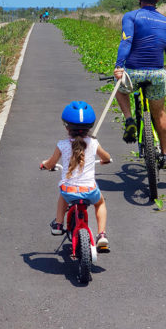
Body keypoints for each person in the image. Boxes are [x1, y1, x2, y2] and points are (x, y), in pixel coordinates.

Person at [113, 0, 166, 168]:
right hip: (157, 73)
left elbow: (126, 41)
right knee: (160, 113)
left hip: (134, 72)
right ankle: (165, 155)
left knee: (120, 89)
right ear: (158, 0)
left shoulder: (131, 16)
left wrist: (119, 66)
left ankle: (129, 119)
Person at [40, 101, 113, 250]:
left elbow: (51, 163)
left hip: (69, 192)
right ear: (90, 126)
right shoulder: (93, 143)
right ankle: (102, 235)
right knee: (100, 203)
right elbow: (106, 157)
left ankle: (59, 224)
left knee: (63, 195)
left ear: (67, 127)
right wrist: (105, 160)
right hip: (90, 191)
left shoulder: (62, 144)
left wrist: (45, 164)